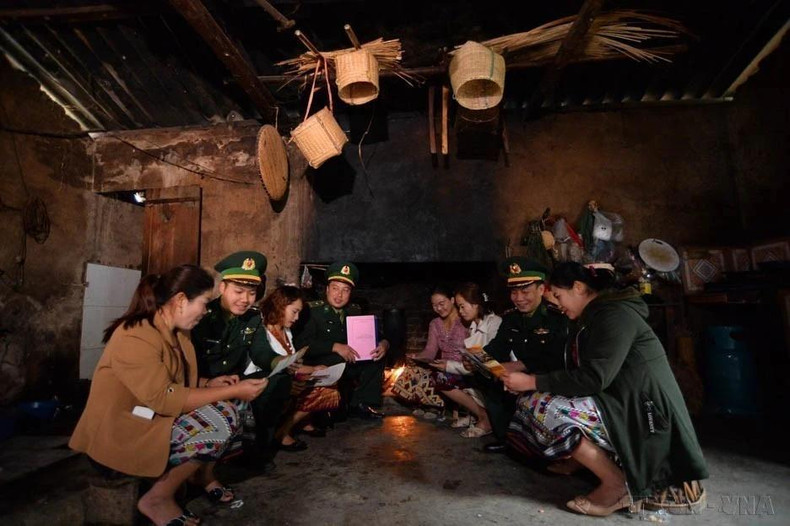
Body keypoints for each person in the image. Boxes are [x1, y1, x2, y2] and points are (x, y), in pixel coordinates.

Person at [503, 262, 708, 517]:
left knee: (540, 406)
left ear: (578, 288)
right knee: (534, 400)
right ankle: (578, 461)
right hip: (620, 400)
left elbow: (593, 378)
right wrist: (526, 372)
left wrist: (532, 382)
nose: (556, 302)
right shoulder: (593, 316)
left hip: (645, 411)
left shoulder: (615, 316)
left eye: (558, 295)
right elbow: (565, 360)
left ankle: (616, 484)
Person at [69, 265, 268, 526]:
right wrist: (231, 389)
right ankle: (157, 499)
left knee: (237, 406)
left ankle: (202, 476)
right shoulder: (137, 334)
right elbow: (165, 396)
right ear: (181, 300)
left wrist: (210, 383)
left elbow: (176, 381)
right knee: (222, 417)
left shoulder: (176, 332)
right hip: (123, 432)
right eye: (204, 303)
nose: (206, 311)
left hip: (151, 420)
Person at [191, 251, 289, 470]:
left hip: (235, 380)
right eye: (238, 291)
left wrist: (280, 361)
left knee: (277, 381)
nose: (245, 299)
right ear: (222, 288)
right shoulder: (202, 316)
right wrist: (206, 381)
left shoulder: (252, 318)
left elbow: (261, 353)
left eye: (251, 293)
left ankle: (257, 450)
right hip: (203, 382)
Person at [476, 257, 568, 453]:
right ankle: (506, 438)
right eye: (514, 292)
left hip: (545, 378)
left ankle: (539, 444)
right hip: (517, 375)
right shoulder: (511, 318)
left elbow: (556, 358)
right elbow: (497, 346)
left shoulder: (556, 318)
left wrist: (521, 366)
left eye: (525, 291)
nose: (519, 298)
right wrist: (477, 359)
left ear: (541, 290)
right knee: (487, 378)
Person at [248, 285, 342, 452]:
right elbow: (267, 362)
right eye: (294, 311)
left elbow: (291, 364)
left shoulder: (286, 331)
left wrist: (314, 369)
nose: (297, 317)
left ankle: (284, 428)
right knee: (289, 386)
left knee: (328, 389)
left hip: (286, 378)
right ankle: (280, 434)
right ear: (281, 306)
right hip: (263, 384)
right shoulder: (260, 327)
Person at [293, 262, 389, 420]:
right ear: (327, 289)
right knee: (338, 359)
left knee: (376, 357)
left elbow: (375, 334)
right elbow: (302, 344)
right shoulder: (312, 311)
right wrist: (334, 346)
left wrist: (384, 344)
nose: (339, 295)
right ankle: (331, 407)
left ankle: (360, 404)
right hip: (322, 361)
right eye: (335, 288)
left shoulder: (354, 310)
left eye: (345, 290)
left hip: (348, 360)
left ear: (351, 293)